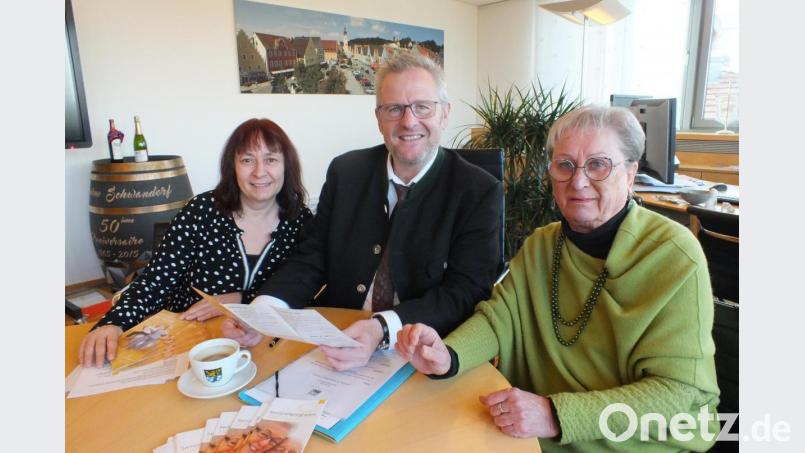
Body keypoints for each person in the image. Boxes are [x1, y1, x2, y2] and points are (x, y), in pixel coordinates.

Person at [396, 105, 721, 452]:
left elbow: (679, 393)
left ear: (630, 174)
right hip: (533, 433)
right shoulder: (543, 244)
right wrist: (448, 355)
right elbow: (499, 319)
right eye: (565, 165)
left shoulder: (674, 255)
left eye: (598, 164)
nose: (578, 181)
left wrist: (554, 414)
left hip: (631, 442)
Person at [224, 52, 503, 371]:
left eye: (422, 107)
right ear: (378, 118)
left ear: (444, 114)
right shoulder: (346, 172)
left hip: (421, 351)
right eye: (394, 108)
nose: (409, 121)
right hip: (336, 344)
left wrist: (382, 327)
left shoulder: (478, 190)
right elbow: (312, 257)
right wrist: (263, 311)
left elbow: (465, 292)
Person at [79, 118, 312, 367]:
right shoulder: (202, 210)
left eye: (271, 159)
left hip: (265, 345)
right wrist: (114, 322)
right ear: (231, 166)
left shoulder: (300, 221)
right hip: (192, 343)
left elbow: (305, 290)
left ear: (286, 166)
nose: (259, 171)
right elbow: (156, 279)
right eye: (247, 160)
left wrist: (240, 298)